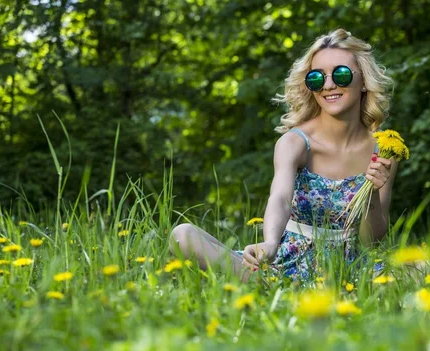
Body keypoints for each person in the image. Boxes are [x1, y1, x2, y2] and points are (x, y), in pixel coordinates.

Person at [170, 28, 397, 282]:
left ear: (364, 80)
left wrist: (373, 192)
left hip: (348, 268)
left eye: (341, 74)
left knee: (418, 269)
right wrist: (269, 242)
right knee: (183, 235)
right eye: (316, 78)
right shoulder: (295, 142)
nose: (329, 85)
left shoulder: (383, 150)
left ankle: (267, 289)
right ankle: (269, 284)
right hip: (288, 261)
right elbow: (279, 197)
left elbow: (371, 240)